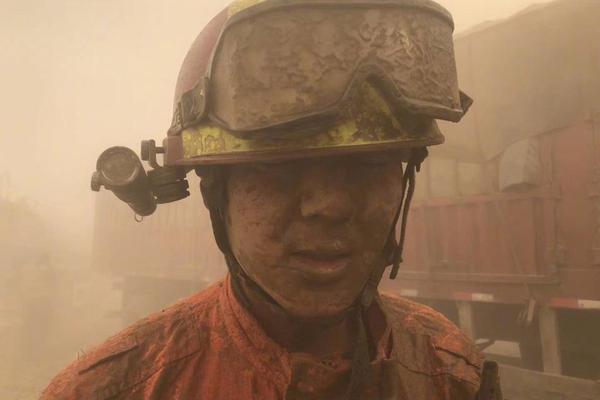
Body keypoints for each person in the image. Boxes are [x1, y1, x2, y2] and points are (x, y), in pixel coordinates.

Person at [42, 0, 488, 398]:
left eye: (370, 164)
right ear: (215, 190)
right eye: (278, 167)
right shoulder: (112, 390)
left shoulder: (451, 373)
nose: (331, 206)